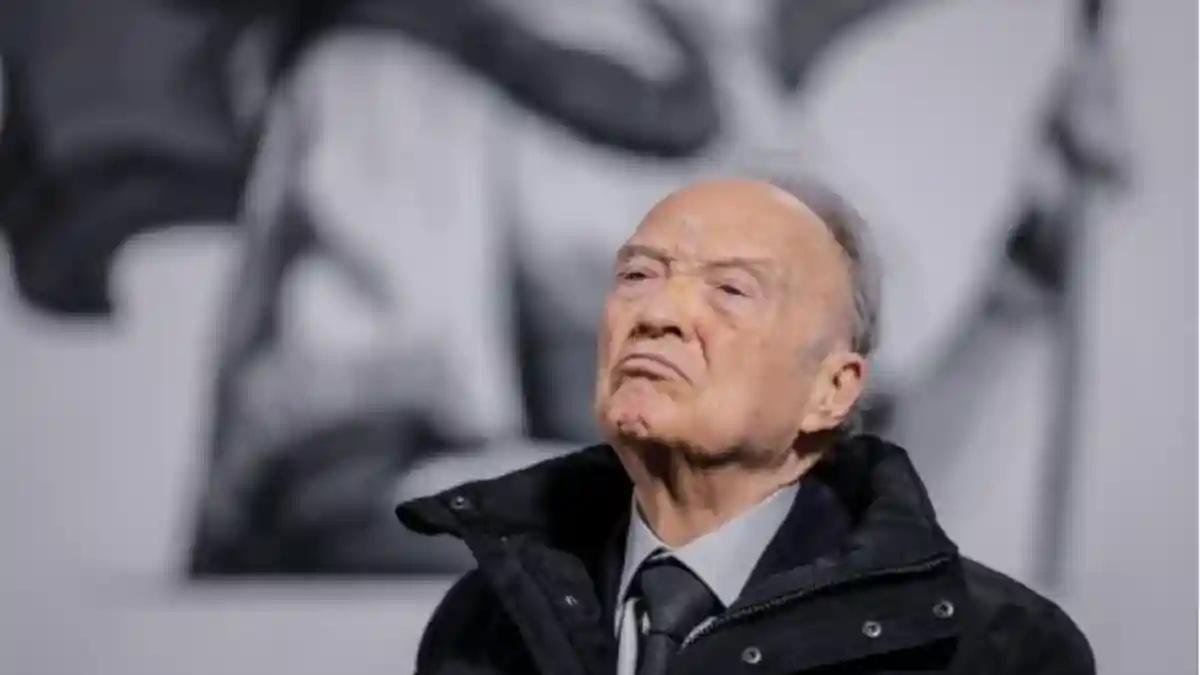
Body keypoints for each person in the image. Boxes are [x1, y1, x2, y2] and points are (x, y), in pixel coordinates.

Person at [396, 178, 1094, 674]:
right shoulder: (485, 625)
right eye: (638, 276)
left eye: (731, 289)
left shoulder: (999, 650)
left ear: (830, 391)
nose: (658, 314)